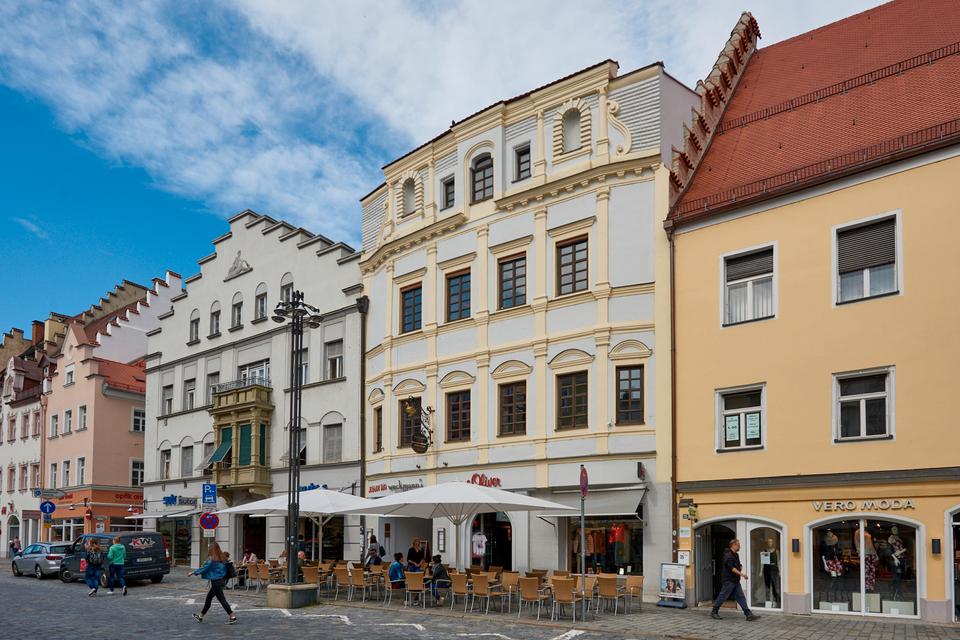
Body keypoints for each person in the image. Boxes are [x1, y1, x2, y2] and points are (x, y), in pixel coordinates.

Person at [189, 542, 237, 625]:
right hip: (222, 581)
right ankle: (200, 616)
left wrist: (193, 572)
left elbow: (205, 568)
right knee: (209, 598)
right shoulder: (222, 558)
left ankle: (232, 617)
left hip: (216, 582)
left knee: (222, 600)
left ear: (212, 549)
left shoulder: (213, 560)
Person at [711, 539, 759, 621]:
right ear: (733, 545)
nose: (740, 546)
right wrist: (742, 574)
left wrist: (740, 566)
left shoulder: (735, 554)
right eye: (738, 545)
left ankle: (748, 614)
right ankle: (714, 611)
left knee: (741, 597)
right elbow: (732, 568)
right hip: (729, 580)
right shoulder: (728, 555)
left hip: (735, 580)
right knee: (723, 596)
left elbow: (736, 566)